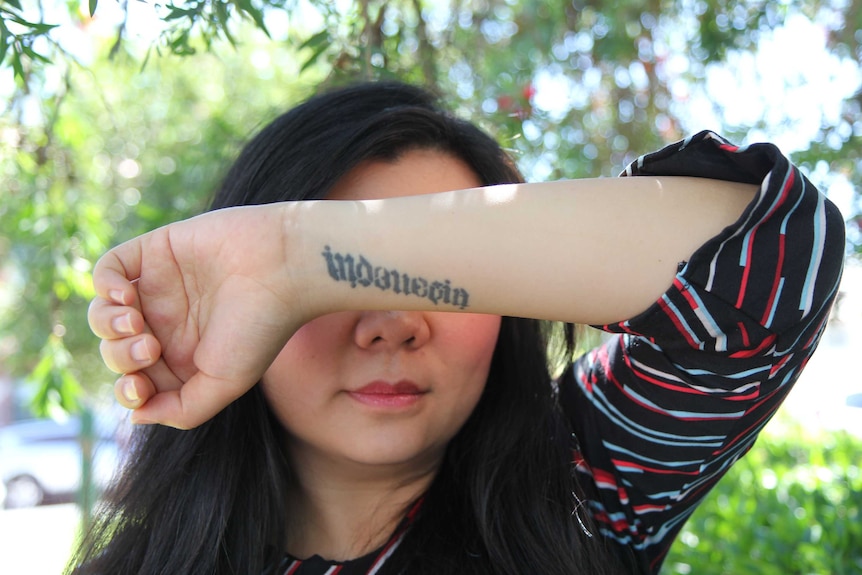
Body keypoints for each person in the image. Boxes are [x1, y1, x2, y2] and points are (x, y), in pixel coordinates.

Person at [74, 82, 844, 575]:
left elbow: (778, 254)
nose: (393, 326)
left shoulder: (589, 482)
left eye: (423, 272)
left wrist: (292, 252)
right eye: (329, 286)